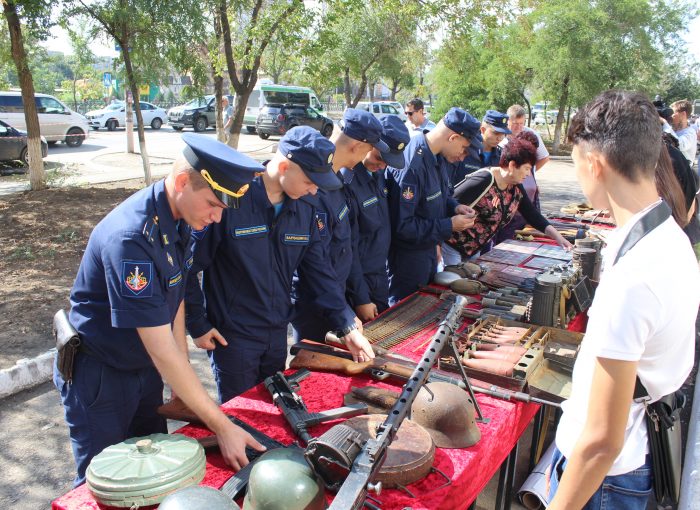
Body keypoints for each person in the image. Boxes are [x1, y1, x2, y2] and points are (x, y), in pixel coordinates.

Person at [55, 134, 266, 486]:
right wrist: (222, 425)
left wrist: (182, 389)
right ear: (183, 181)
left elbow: (176, 298)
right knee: (105, 484)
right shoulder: (132, 240)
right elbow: (161, 347)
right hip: (101, 376)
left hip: (142, 370)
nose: (216, 217)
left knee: (156, 474)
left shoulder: (180, 217)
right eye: (214, 204)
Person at [546, 90, 700, 509]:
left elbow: (601, 441)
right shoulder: (667, 237)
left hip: (605, 482)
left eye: (577, 166)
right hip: (629, 460)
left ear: (594, 164)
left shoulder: (634, 277)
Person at [185, 126, 375, 404]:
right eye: (310, 182)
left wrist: (346, 325)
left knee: (273, 414)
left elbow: (318, 271)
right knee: (241, 415)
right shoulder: (232, 200)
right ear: (285, 166)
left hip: (276, 334)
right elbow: (188, 266)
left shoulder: (305, 209)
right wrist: (197, 323)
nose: (314, 192)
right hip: (234, 338)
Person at [291, 109, 388, 342]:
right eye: (370, 149)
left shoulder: (340, 181)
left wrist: (357, 299)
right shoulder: (310, 183)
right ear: (357, 146)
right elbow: (312, 261)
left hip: (338, 297)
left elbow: (348, 245)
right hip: (314, 303)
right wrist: (342, 312)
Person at [386, 107, 480, 305]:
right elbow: (403, 227)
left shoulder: (439, 157)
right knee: (406, 316)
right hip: (407, 262)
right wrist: (449, 225)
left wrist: (455, 207)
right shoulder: (412, 164)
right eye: (465, 149)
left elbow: (441, 196)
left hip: (427, 252)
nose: (464, 156)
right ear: (453, 138)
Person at [446, 137, 571, 260]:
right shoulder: (484, 179)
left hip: (474, 250)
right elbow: (449, 203)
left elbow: (532, 214)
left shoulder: (515, 187)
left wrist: (558, 237)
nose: (528, 174)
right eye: (526, 168)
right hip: (452, 248)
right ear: (512, 165)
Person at [343, 115, 410, 321]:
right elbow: (349, 248)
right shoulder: (348, 181)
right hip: (357, 285)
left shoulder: (378, 175)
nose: (382, 166)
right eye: (380, 159)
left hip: (379, 276)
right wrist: (361, 298)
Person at [669, 99, 697, 167]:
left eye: (673, 113)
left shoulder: (690, 132)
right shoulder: (672, 130)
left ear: (683, 114)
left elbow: (680, 145)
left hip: (684, 175)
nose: (671, 116)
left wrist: (665, 124)